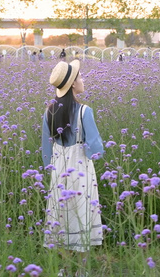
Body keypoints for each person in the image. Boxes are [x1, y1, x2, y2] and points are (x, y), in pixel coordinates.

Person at [42, 60, 104, 275]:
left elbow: (45, 151)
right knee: (81, 213)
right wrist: (92, 152)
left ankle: (65, 269)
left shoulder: (49, 111)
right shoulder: (84, 111)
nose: (82, 80)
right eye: (80, 77)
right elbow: (95, 148)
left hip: (59, 169)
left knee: (62, 215)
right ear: (72, 84)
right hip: (81, 169)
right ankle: (82, 270)